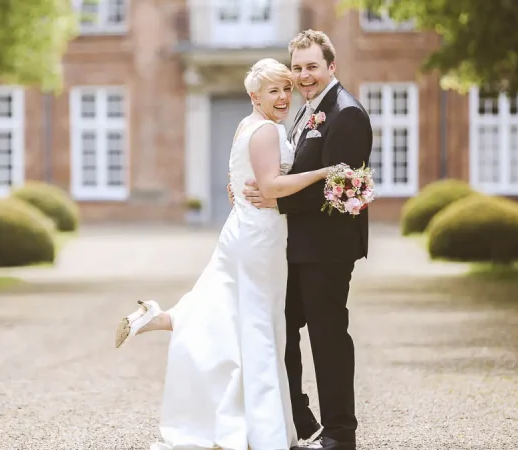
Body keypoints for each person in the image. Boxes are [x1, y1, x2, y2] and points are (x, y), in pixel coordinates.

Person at [115, 58, 333, 450]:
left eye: (287, 89)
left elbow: (241, 177)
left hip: (241, 228)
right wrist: (323, 173)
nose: (284, 97)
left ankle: (162, 317)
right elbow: (270, 186)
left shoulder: (246, 125)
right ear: (255, 96)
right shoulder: (266, 130)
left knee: (227, 309)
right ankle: (264, 433)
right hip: (260, 234)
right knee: (259, 327)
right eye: (274, 91)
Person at [239, 30, 373, 450]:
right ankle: (299, 416)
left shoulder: (347, 113)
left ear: (331, 66)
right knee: (281, 330)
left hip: (328, 250)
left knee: (328, 336)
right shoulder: (304, 112)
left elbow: (342, 188)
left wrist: (275, 203)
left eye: (312, 66)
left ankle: (339, 433)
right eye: (297, 68)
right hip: (297, 248)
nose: (303, 75)